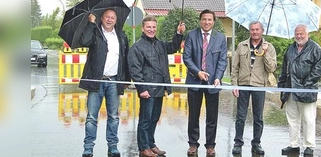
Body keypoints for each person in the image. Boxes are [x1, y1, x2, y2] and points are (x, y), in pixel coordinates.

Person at [128, 15, 185, 157]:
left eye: (154, 27)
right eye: (148, 27)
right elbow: (135, 70)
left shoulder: (160, 44)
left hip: (160, 88)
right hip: (147, 90)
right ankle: (143, 148)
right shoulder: (137, 47)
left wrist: (179, 33)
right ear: (143, 28)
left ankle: (151, 144)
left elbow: (172, 47)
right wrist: (142, 89)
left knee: (154, 118)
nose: (151, 29)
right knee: (145, 120)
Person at [79, 9, 130, 157]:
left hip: (114, 81)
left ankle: (113, 146)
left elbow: (125, 58)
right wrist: (90, 23)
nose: (109, 20)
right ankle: (88, 148)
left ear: (116, 20)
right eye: (107, 17)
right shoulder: (95, 33)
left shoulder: (121, 36)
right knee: (91, 117)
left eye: (112, 17)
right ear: (101, 18)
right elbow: (84, 41)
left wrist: (126, 78)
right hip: (97, 80)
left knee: (113, 116)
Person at [182, 9, 228, 156]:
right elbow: (187, 58)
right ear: (200, 20)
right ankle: (193, 144)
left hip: (212, 83)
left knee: (212, 117)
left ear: (214, 21)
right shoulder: (191, 35)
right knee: (193, 115)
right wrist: (198, 72)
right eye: (204, 19)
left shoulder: (220, 37)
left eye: (209, 19)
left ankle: (210, 145)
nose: (206, 22)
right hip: (195, 81)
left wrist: (218, 77)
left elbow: (222, 60)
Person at [278, 24, 321, 156]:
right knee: (292, 119)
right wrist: (281, 85)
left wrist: (307, 83)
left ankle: (309, 146)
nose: (298, 36)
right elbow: (284, 69)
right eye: (296, 34)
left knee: (308, 119)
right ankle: (294, 145)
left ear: (307, 34)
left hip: (307, 91)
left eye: (301, 34)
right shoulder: (290, 49)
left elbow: (320, 68)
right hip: (290, 90)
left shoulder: (315, 48)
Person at [230, 21, 277, 155]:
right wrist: (234, 84)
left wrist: (266, 52)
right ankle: (238, 143)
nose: (254, 32)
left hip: (258, 86)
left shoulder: (269, 47)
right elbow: (235, 67)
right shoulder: (242, 45)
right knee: (240, 116)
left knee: (258, 117)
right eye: (252, 30)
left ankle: (256, 143)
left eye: (257, 29)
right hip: (243, 84)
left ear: (262, 31)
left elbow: (272, 68)